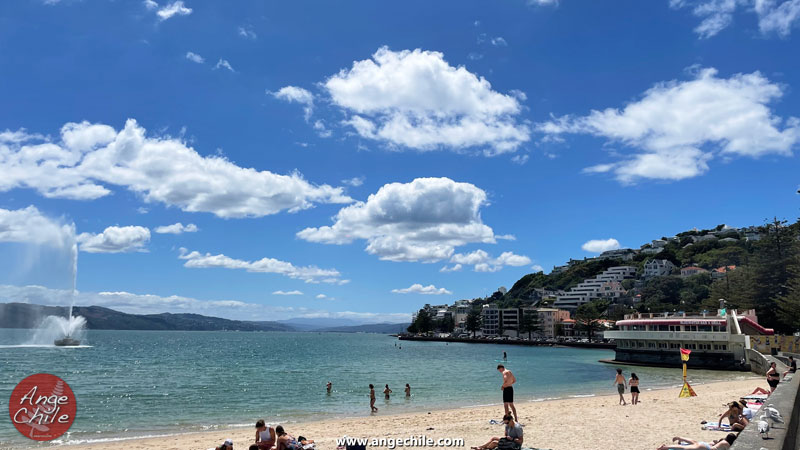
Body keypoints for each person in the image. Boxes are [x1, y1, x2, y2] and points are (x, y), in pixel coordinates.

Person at [656, 433, 736, 450]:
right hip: (706, 448)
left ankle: (681, 438)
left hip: (705, 446)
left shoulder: (723, 442)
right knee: (684, 448)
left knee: (693, 443)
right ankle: (665, 447)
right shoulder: (726, 444)